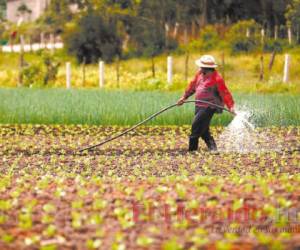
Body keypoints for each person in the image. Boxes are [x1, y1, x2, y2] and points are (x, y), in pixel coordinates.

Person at [177, 55, 235, 152]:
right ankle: (213, 149)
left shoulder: (217, 79)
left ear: (207, 68)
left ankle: (192, 151)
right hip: (199, 105)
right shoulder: (199, 74)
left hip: (209, 106)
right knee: (203, 130)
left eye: (201, 67)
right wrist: (184, 97)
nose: (200, 68)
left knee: (195, 126)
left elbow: (225, 93)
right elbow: (192, 86)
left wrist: (231, 106)